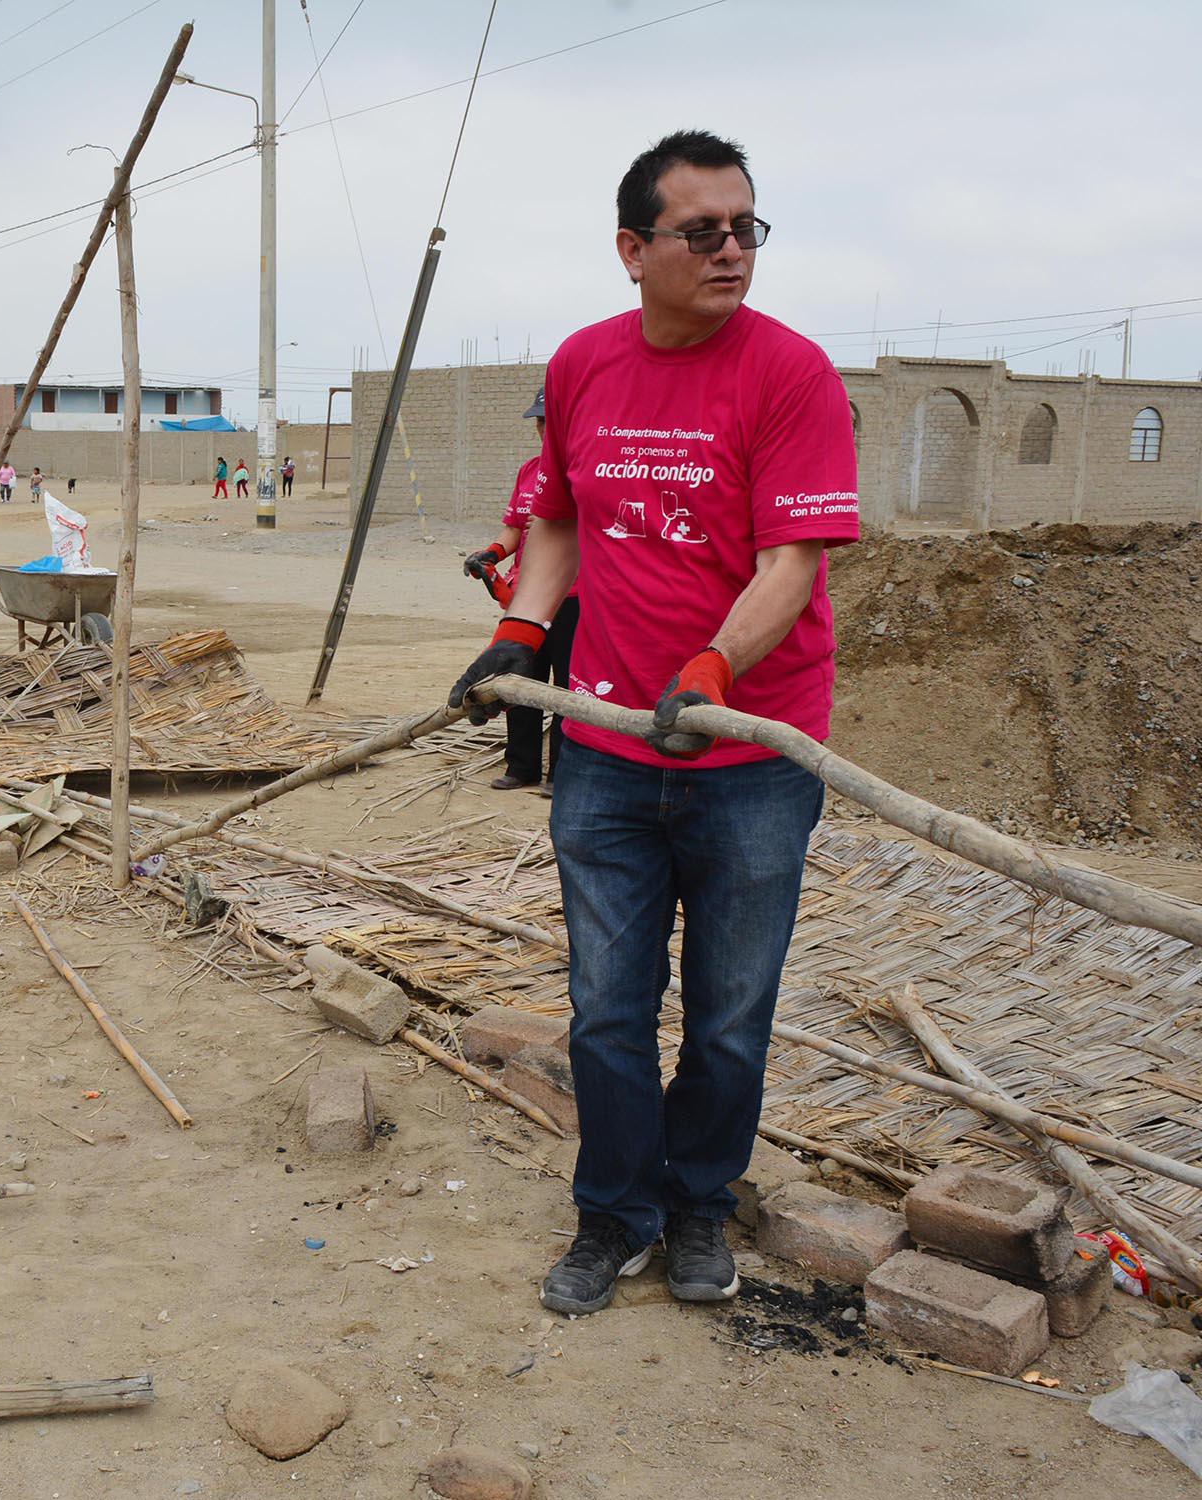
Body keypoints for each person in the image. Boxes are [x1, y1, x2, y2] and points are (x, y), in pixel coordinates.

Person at [446, 130, 859, 1316]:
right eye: (701, 231)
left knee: (729, 1016)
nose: (731, 251)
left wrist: (714, 664)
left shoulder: (788, 373)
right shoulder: (582, 365)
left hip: (748, 754)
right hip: (604, 749)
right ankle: (613, 1213)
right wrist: (523, 631)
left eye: (745, 227)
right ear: (632, 250)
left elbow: (791, 563)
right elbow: (560, 520)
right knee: (605, 1007)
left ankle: (697, 1204)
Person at [463, 388, 578, 793]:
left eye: (551, 420)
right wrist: (491, 553)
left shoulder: (586, 471)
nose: (544, 429)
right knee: (520, 677)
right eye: (540, 422)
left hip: (575, 598)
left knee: (566, 686)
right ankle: (521, 766)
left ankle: (559, 772)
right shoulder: (530, 471)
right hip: (525, 597)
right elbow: (514, 527)